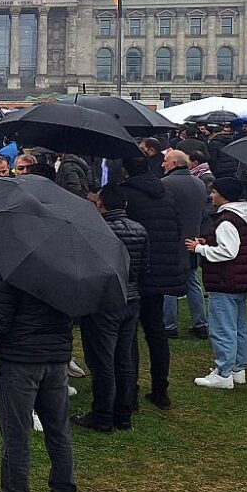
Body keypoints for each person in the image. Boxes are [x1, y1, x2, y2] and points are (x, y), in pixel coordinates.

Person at [0, 245, 77, 492]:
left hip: (20, 360)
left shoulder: (8, 261)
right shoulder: (67, 262)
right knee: (58, 430)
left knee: (16, 434)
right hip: (55, 357)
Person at [73, 185, 148, 433]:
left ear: (101, 205)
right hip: (131, 298)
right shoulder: (139, 228)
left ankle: (103, 415)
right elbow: (143, 266)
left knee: (102, 360)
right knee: (124, 359)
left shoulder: (98, 230)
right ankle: (123, 413)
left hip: (105, 302)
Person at [118, 154, 185, 410]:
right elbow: (177, 229)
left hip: (134, 270)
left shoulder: (126, 195)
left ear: (125, 171)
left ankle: (129, 389)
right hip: (161, 271)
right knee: (156, 332)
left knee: (129, 334)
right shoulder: (165, 194)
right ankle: (160, 388)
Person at [186, 178, 247, 390]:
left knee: (222, 328)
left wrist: (201, 250)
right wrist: (209, 242)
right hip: (240, 281)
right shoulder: (241, 216)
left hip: (225, 281)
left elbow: (228, 251)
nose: (211, 196)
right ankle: (237, 369)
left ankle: (224, 372)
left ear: (224, 195)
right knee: (239, 326)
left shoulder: (226, 220)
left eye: (214, 192)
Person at [161, 149, 210, 339]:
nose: (163, 164)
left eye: (165, 161)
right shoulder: (199, 183)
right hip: (193, 239)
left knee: (169, 285)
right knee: (193, 282)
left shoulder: (165, 184)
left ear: (174, 164)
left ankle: (169, 325)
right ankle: (200, 323)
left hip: (171, 240)